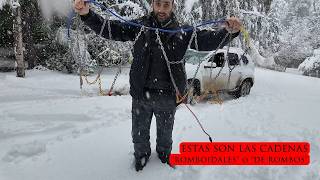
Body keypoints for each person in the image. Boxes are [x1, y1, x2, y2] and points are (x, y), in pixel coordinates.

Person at [74, 0, 241, 171]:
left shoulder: (182, 31)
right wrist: (87, 14)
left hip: (168, 97)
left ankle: (163, 157)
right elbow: (111, 29)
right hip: (141, 94)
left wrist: (228, 32)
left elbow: (206, 41)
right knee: (139, 135)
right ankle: (141, 156)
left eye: (166, 5)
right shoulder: (139, 26)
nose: (161, 9)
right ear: (152, 4)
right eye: (158, 4)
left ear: (173, 6)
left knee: (165, 136)